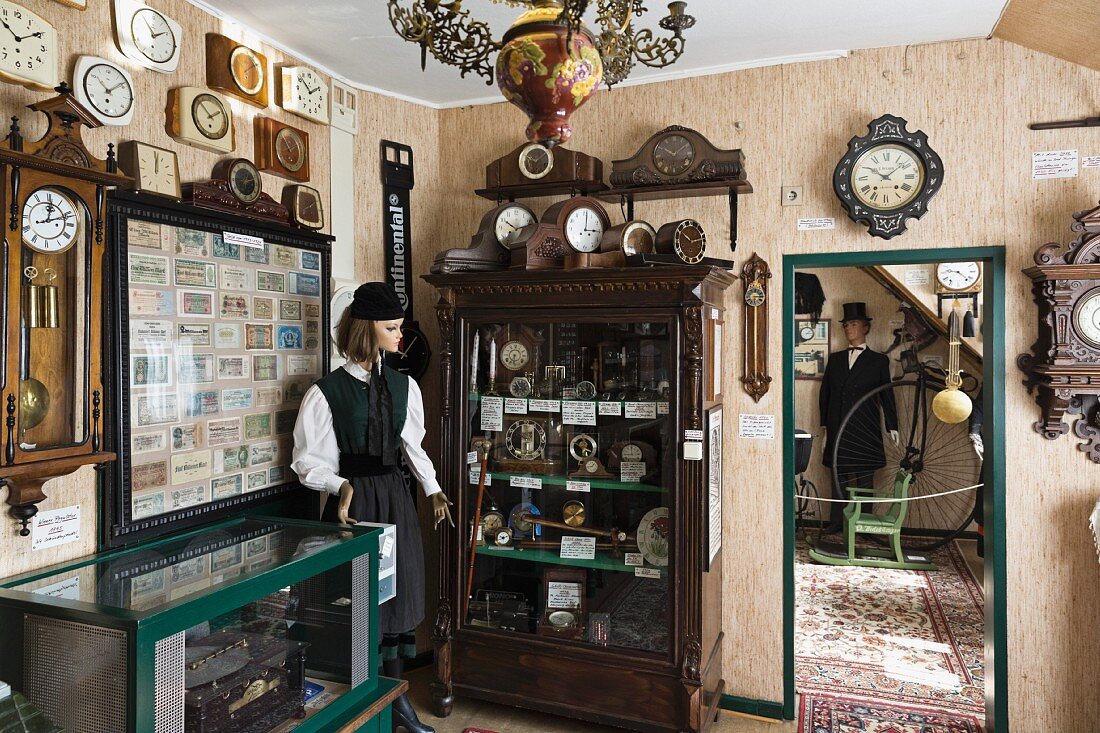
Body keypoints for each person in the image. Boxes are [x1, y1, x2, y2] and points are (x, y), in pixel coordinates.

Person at [292, 281, 451, 733]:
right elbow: (306, 462)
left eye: (399, 327)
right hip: (355, 509)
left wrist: (433, 489)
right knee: (360, 603)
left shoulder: (404, 387)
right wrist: (340, 485)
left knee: (399, 599)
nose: (401, 336)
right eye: (392, 327)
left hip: (398, 502)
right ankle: (369, 706)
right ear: (366, 329)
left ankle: (397, 703)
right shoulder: (326, 393)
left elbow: (412, 446)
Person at [818, 302, 898, 533]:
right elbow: (825, 394)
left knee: (864, 480)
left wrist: (893, 426)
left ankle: (863, 524)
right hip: (837, 426)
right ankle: (837, 522)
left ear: (865, 328)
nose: (848, 328)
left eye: (853, 324)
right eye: (845, 324)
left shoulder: (878, 361)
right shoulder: (835, 359)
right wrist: (824, 426)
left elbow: (886, 395)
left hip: (865, 429)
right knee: (837, 477)